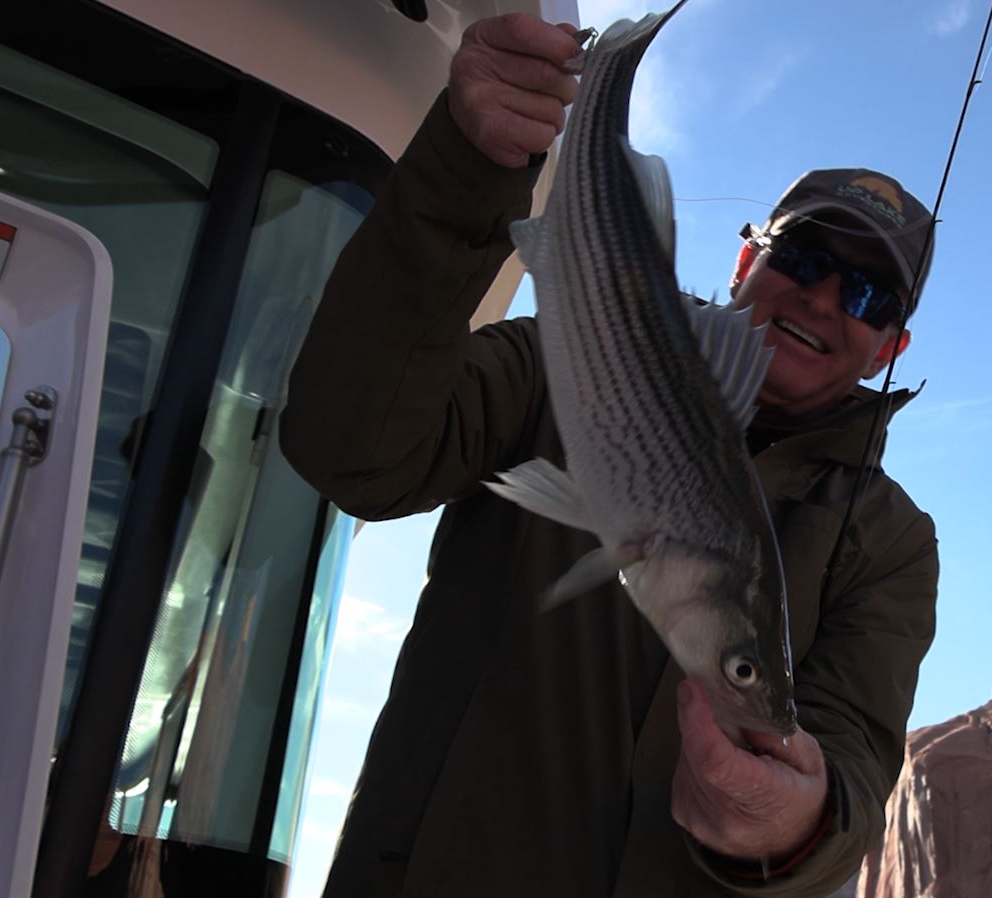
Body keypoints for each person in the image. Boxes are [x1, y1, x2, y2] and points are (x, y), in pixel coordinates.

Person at [280, 12, 938, 898]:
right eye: (804, 254)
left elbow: (852, 761)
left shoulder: (890, 540)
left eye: (866, 292)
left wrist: (795, 828)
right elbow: (353, 451)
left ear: (891, 345)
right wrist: (470, 170)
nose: (823, 299)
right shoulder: (559, 358)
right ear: (747, 257)